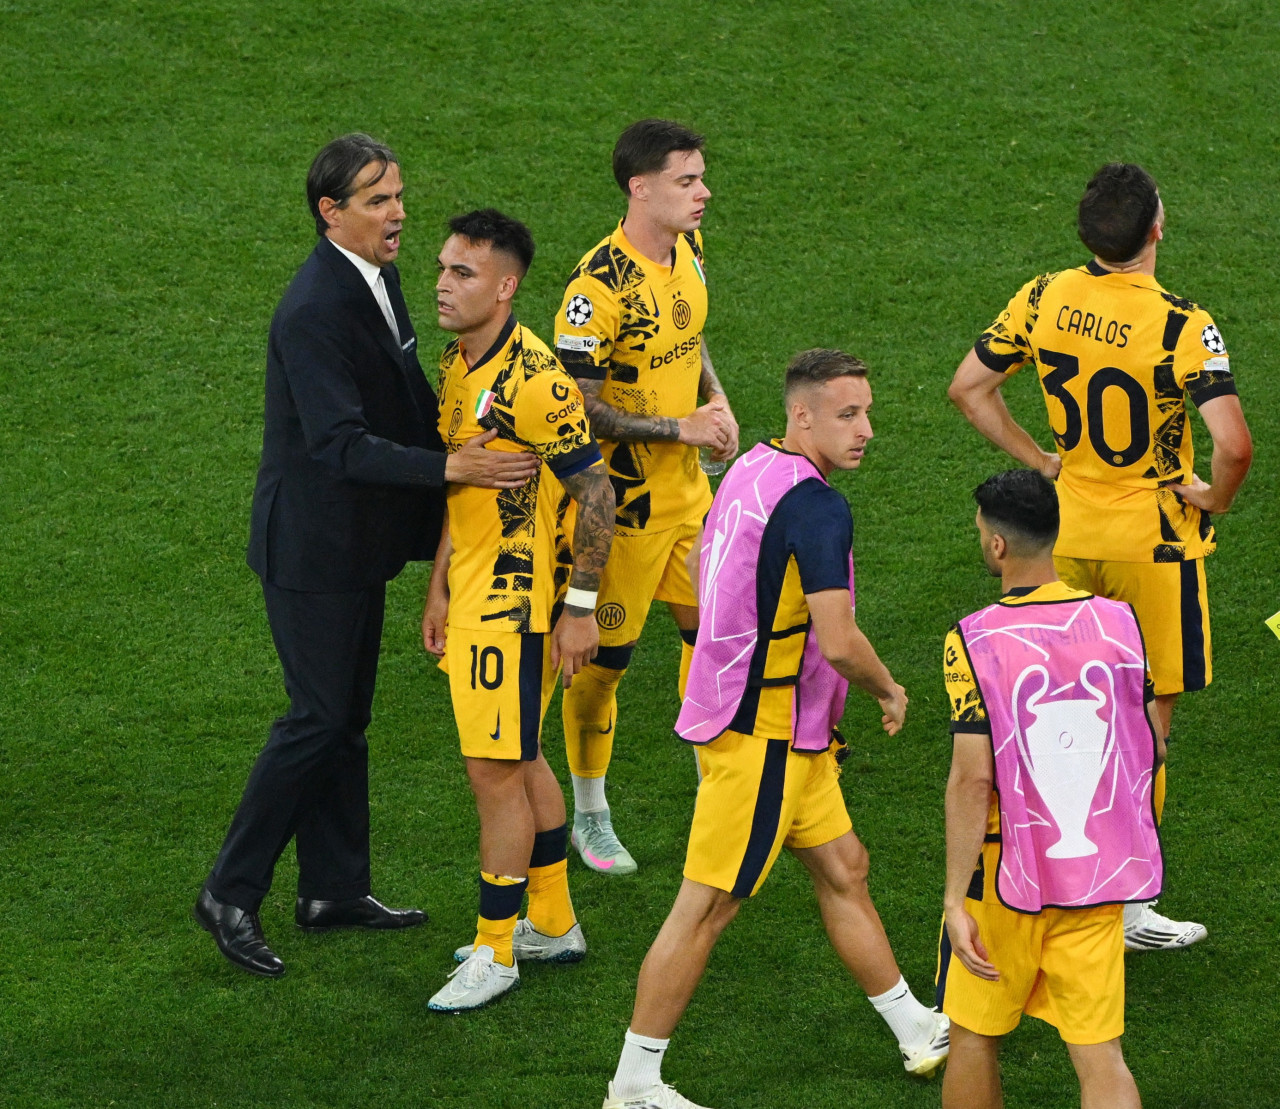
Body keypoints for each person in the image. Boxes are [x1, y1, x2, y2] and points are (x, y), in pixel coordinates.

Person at [193, 136, 537, 979]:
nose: (399, 215)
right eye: (379, 200)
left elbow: (408, 395)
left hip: (350, 543)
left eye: (399, 196)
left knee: (345, 718)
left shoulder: (374, 280)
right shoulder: (312, 309)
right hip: (311, 547)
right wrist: (454, 465)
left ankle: (334, 888)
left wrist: (470, 423)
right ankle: (230, 890)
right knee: (315, 718)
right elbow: (341, 445)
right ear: (331, 211)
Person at [603, 350, 947, 1109]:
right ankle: (632, 1084)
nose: (866, 430)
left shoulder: (755, 468)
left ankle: (915, 1025)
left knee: (843, 866)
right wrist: (889, 688)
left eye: (867, 412)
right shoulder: (820, 507)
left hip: (773, 720)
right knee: (706, 907)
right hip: (765, 732)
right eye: (848, 414)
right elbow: (839, 638)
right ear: (803, 415)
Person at [947, 162, 1252, 950]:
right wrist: (1213, 498)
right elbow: (1233, 445)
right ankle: (1127, 906)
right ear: (1157, 228)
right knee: (1146, 719)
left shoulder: (1045, 296)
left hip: (1068, 533)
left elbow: (969, 388)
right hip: (1152, 543)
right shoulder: (1185, 325)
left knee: (1047, 709)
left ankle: (1032, 874)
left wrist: (1043, 461)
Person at [421, 210, 616, 1012]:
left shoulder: (533, 380)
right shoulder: (458, 361)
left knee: (493, 773)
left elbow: (598, 491)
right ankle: (554, 920)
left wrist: (579, 609)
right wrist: (436, 582)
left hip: (514, 606)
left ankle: (496, 950)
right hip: (471, 590)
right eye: (442, 267)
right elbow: (461, 478)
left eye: (463, 273)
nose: (441, 282)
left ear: (506, 287)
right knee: (521, 757)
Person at [939, 469, 1164, 1109]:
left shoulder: (974, 638)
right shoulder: (1121, 623)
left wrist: (956, 899)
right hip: (1098, 874)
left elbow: (973, 776)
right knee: (1101, 1055)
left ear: (997, 545)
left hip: (1003, 877)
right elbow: (1152, 741)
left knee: (975, 1037)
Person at [553, 118, 739, 875]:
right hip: (620, 517)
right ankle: (589, 809)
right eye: (687, 180)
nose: (704, 192)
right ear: (641, 188)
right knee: (603, 667)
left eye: (701, 177)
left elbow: (690, 342)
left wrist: (717, 406)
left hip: (689, 500)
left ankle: (716, 788)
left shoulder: (688, 249)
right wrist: (680, 427)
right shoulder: (595, 289)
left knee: (714, 636)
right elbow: (575, 407)